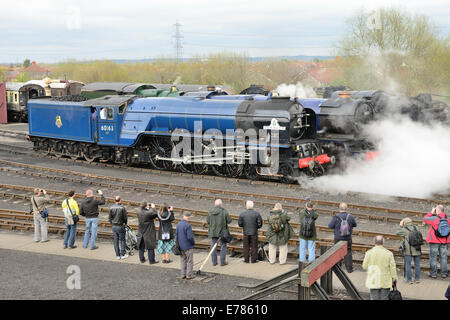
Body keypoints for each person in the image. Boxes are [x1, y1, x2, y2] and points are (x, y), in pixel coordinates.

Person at [362, 236, 397, 300]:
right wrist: (394, 279)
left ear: (374, 242)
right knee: (385, 297)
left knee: (374, 297)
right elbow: (392, 268)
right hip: (385, 280)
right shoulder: (389, 254)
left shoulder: (369, 253)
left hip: (373, 280)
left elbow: (364, 266)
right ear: (383, 242)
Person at [327, 202, 357, 273]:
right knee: (348, 252)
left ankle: (338, 268)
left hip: (338, 237)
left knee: (337, 252)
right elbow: (355, 225)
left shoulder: (336, 217)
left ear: (339, 209)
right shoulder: (350, 217)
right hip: (348, 238)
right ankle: (349, 269)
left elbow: (330, 226)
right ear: (346, 209)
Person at [423, 205, 449, 279]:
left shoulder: (434, 218)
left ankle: (433, 274)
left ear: (437, 210)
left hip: (434, 241)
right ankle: (444, 274)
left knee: (433, 257)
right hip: (444, 241)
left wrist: (431, 212)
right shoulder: (448, 219)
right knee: (443, 257)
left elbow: (424, 219)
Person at [395, 217, 422, 284]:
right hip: (417, 249)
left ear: (405, 223)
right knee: (417, 264)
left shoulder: (404, 229)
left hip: (408, 250)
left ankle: (409, 280)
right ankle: (417, 279)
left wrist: (400, 225)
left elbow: (397, 232)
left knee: (408, 265)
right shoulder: (416, 228)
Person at [207, 199, 232, 266]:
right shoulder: (224, 212)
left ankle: (214, 262)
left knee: (213, 246)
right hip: (222, 233)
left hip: (213, 232)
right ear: (221, 205)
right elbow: (229, 221)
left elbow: (208, 221)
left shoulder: (210, 212)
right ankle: (222, 262)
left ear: (215, 204)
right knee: (223, 246)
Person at [176, 211, 195, 280]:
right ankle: (189, 275)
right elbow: (190, 237)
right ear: (188, 217)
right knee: (189, 261)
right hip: (188, 246)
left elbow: (177, 235)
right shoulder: (188, 225)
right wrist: (193, 243)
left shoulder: (178, 224)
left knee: (183, 260)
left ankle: (183, 274)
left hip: (181, 246)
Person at [108, 196, 128, 260]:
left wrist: (112, 223)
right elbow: (125, 217)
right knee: (122, 240)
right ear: (120, 200)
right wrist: (125, 223)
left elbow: (109, 218)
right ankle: (122, 254)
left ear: (115, 200)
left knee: (116, 240)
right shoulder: (122, 208)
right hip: (120, 225)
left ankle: (117, 255)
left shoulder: (111, 208)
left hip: (114, 226)